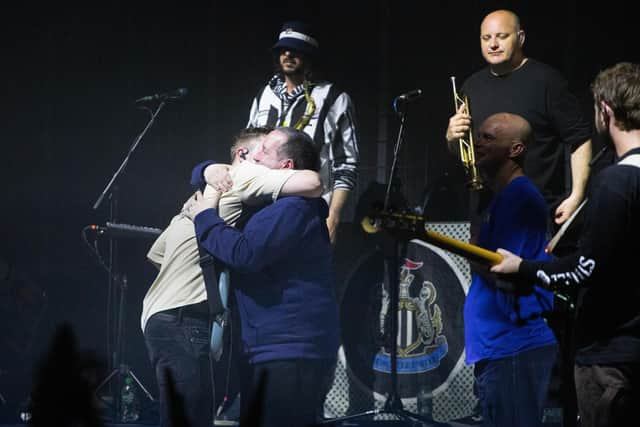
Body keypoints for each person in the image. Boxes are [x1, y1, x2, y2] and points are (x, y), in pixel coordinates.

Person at [141, 126, 323, 427]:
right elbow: (314, 182)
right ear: (243, 155)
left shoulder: (200, 196)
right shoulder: (244, 175)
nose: (264, 155)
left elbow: (156, 253)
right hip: (184, 318)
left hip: (159, 315)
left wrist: (206, 176)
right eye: (262, 149)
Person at [490, 62, 640, 427]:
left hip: (610, 359)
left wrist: (521, 267)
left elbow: (582, 269)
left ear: (605, 110)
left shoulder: (616, 182)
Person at [445, 9, 593, 244]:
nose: (493, 44)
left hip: (536, 213)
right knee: (485, 280)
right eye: (486, 38)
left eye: (502, 36)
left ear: (521, 38)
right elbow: (464, 151)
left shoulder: (547, 81)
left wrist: (577, 195)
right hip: (485, 215)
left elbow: (580, 139)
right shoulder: (471, 86)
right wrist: (452, 137)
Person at [465, 112, 558, 427]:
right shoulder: (501, 198)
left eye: (488, 137)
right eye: (479, 136)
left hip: (514, 347)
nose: (478, 142)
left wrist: (475, 254)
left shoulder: (521, 197)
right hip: (498, 348)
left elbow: (503, 270)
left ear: (516, 149)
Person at [247, 20, 360, 244]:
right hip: (262, 209)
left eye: (296, 49)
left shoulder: (334, 98)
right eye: (283, 49)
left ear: (310, 55)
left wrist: (334, 217)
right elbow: (247, 149)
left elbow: (347, 164)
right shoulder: (264, 95)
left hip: (310, 213)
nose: (288, 54)